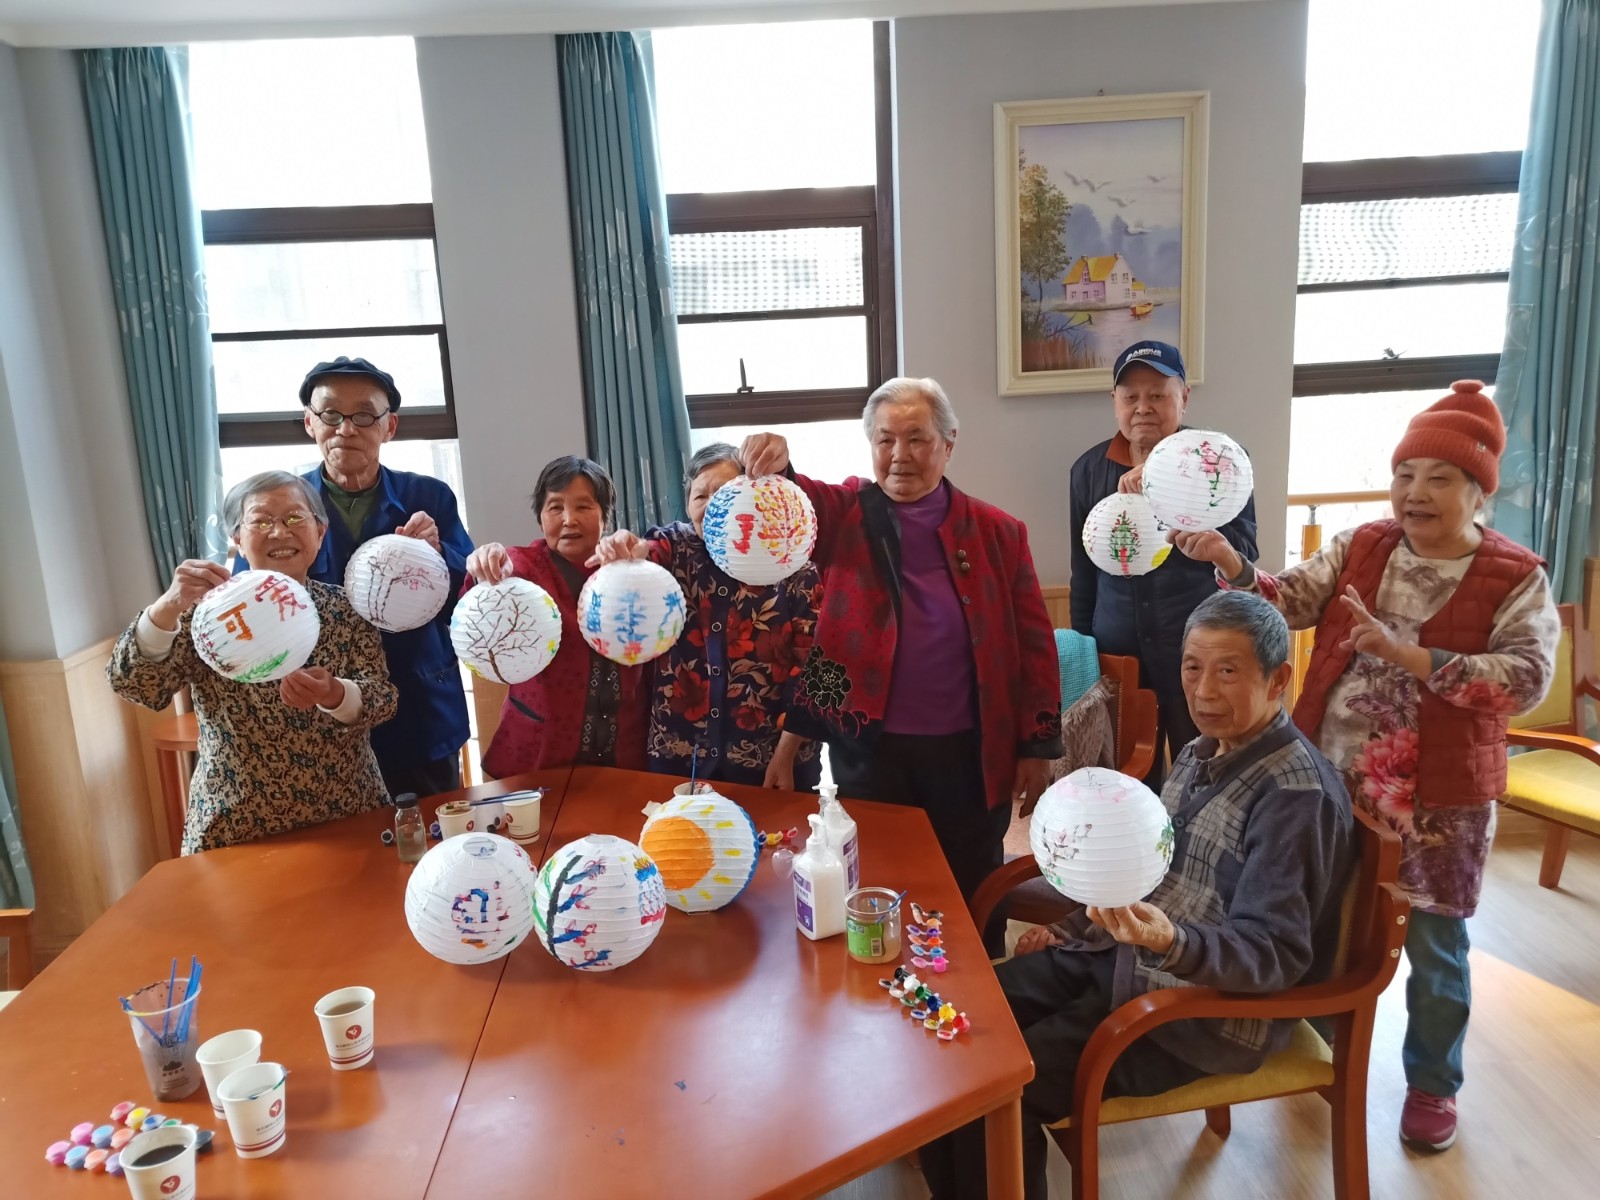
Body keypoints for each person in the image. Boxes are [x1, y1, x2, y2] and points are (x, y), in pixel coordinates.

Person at [1172, 380, 1559, 1154]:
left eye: (1438, 478)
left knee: (1434, 948)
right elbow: (1288, 602)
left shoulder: (1516, 575)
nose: (1415, 492)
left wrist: (1412, 656)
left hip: (1441, 804)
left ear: (1478, 490)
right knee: (1319, 921)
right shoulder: (1364, 545)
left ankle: (1432, 1085)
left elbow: (1526, 680)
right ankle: (1314, 1049)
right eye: (1404, 474)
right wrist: (1232, 563)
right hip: (1332, 786)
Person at [920, 591, 1354, 1199]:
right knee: (949, 1030)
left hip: (1201, 1016)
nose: (1203, 691)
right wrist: (1072, 928)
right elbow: (1140, 873)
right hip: (1122, 963)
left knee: (996, 1088)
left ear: (1277, 679)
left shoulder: (1295, 799)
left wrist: (1168, 939)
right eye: (1192, 667)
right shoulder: (1200, 753)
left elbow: (1274, 955)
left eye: (1228, 671)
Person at [741, 378, 1062, 899]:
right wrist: (779, 465)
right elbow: (802, 502)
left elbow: (1035, 645)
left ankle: (979, 954)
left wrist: (1036, 746)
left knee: (970, 882)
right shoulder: (846, 513)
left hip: (971, 752)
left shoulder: (998, 532)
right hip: (870, 750)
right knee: (879, 879)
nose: (899, 455)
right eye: (885, 440)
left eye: (917, 439)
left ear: (948, 444)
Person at [108, 471, 398, 853]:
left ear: (320, 532)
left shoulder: (344, 608)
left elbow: (383, 699)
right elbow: (135, 685)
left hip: (348, 808)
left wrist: (335, 694)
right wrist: (167, 607)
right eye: (260, 521)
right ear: (238, 540)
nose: (279, 532)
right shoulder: (208, 614)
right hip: (235, 823)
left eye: (294, 518)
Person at [1068, 340, 1258, 780]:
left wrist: (1166, 483)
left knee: (1207, 770)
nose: (1143, 407)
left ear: (1184, 397)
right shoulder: (1087, 470)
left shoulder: (1221, 463)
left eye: (1157, 394)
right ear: (1114, 401)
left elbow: (1244, 551)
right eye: (1130, 396)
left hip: (1198, 649)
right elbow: (1084, 568)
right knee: (1128, 777)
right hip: (1118, 651)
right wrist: (1084, 650)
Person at [589, 443, 823, 790]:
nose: (712, 507)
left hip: (773, 763)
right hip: (678, 759)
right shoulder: (674, 548)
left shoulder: (792, 565)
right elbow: (645, 552)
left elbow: (816, 668)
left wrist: (786, 753)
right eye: (701, 496)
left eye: (725, 494)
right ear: (687, 504)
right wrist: (628, 549)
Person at [293, 356, 473, 798]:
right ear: (310, 423)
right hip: (322, 721)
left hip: (419, 709)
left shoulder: (428, 496)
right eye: (330, 414)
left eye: (363, 416)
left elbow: (470, 600)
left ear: (389, 426)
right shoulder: (286, 505)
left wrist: (438, 554)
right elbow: (256, 599)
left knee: (433, 832)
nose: (345, 429)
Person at [464, 456, 649, 777]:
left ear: (605, 516)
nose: (569, 519)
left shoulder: (631, 568)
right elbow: (483, 595)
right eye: (555, 507)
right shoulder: (522, 567)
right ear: (540, 517)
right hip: (538, 751)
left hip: (625, 748)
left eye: (583, 507)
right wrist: (484, 566)